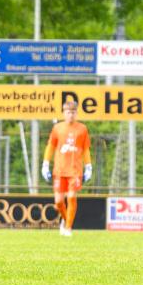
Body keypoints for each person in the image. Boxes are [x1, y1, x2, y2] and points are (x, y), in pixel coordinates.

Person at [41, 100, 91, 237]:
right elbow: (50, 147)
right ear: (64, 113)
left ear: (77, 113)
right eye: (68, 112)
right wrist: (45, 164)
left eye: (73, 112)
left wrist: (88, 166)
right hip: (59, 170)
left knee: (71, 197)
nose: (71, 114)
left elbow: (86, 149)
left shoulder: (82, 129)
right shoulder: (57, 128)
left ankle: (68, 228)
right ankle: (65, 219)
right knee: (58, 202)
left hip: (75, 170)